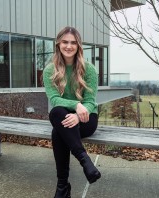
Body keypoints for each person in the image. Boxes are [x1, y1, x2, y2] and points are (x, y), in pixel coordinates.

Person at [43, 26, 101, 198]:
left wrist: (79, 114)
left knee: (58, 130)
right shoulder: (49, 70)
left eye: (73, 43)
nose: (69, 46)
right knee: (56, 113)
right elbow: (54, 99)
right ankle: (85, 161)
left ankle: (63, 187)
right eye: (65, 42)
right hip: (64, 116)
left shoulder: (88, 69)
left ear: (78, 46)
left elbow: (90, 102)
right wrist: (76, 105)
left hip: (86, 118)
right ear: (58, 44)